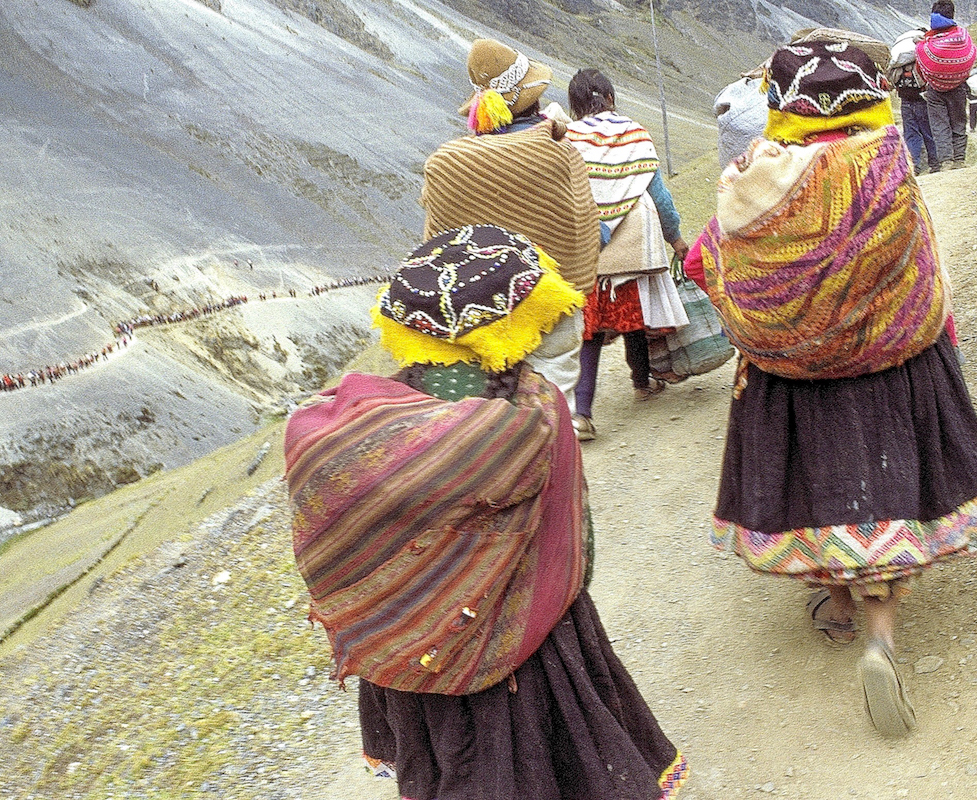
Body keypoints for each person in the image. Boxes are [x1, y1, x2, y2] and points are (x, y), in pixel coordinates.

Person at [284, 224, 688, 799]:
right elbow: (578, 548)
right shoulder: (534, 412)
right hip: (528, 649)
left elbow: (342, 548)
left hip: (412, 656)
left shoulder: (351, 427)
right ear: (511, 326)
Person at [685, 40, 977, 737]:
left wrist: (778, 315)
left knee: (819, 480)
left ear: (783, 106)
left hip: (793, 376)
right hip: (890, 364)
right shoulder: (888, 165)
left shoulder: (752, 178)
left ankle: (836, 605)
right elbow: (924, 262)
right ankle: (881, 638)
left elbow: (705, 260)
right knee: (884, 484)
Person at [421, 39, 600, 419]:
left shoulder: (446, 165)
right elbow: (585, 226)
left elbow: (436, 246)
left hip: (479, 312)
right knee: (552, 408)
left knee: (490, 415)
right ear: (533, 99)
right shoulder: (556, 152)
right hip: (551, 304)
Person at [562, 68, 690, 441]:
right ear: (611, 98)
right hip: (633, 244)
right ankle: (641, 383)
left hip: (585, 243)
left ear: (575, 105)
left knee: (591, 330)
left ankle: (582, 414)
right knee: (631, 317)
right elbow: (659, 195)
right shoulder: (635, 134)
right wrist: (675, 238)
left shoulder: (567, 139)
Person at [916, 1, 977, 170]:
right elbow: (971, 54)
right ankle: (960, 159)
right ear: (952, 15)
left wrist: (931, 79)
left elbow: (920, 67)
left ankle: (946, 161)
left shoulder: (926, 42)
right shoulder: (962, 36)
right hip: (958, 87)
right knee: (958, 122)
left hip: (934, 90)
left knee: (939, 126)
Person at [892, 54, 940, 174]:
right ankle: (935, 164)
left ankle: (914, 166)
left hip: (905, 103)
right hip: (921, 101)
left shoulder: (898, 68)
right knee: (928, 133)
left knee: (911, 134)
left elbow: (892, 83)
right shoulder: (921, 65)